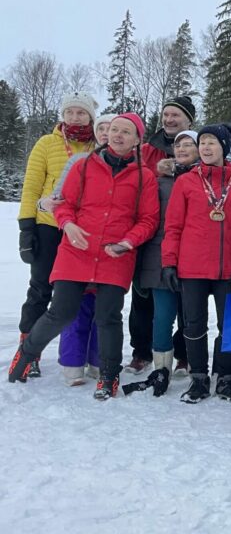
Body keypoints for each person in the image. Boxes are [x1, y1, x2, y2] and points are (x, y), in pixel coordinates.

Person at [9, 113, 159, 402]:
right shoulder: (84, 165)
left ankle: (109, 375)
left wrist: (128, 242)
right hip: (76, 250)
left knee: (108, 316)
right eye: (114, 129)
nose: (118, 135)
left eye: (126, 132)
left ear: (137, 140)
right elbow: (64, 205)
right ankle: (25, 356)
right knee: (61, 312)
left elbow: (148, 219)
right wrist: (67, 224)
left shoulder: (145, 176)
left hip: (115, 255)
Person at [161, 124, 231, 404]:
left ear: (224, 147)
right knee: (193, 324)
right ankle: (199, 377)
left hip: (228, 269)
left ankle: (225, 378)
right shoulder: (186, 182)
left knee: (229, 325)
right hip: (192, 267)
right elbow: (173, 226)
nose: (206, 147)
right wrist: (169, 262)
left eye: (212, 142)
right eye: (202, 142)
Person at [16, 92, 99, 379]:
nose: (75, 117)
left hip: (82, 229)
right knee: (40, 289)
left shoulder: (98, 146)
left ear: (90, 117)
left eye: (81, 112)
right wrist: (26, 229)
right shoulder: (47, 143)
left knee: (79, 293)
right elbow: (31, 187)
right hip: (48, 225)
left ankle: (80, 352)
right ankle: (28, 353)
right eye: (69, 112)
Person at [40, 113, 115, 386]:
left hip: (109, 250)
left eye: (112, 128)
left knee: (102, 309)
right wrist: (46, 204)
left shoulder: (130, 165)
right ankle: (72, 363)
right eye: (102, 128)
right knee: (76, 306)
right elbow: (59, 199)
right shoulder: (80, 161)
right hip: (79, 244)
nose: (106, 133)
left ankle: (97, 360)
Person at [128, 96, 197, 375]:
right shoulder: (147, 149)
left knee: (185, 305)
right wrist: (156, 171)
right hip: (152, 240)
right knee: (144, 302)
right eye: (166, 114)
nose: (169, 119)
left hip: (187, 244)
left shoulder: (197, 146)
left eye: (176, 115)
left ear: (189, 121)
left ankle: (183, 354)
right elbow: (133, 180)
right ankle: (141, 352)